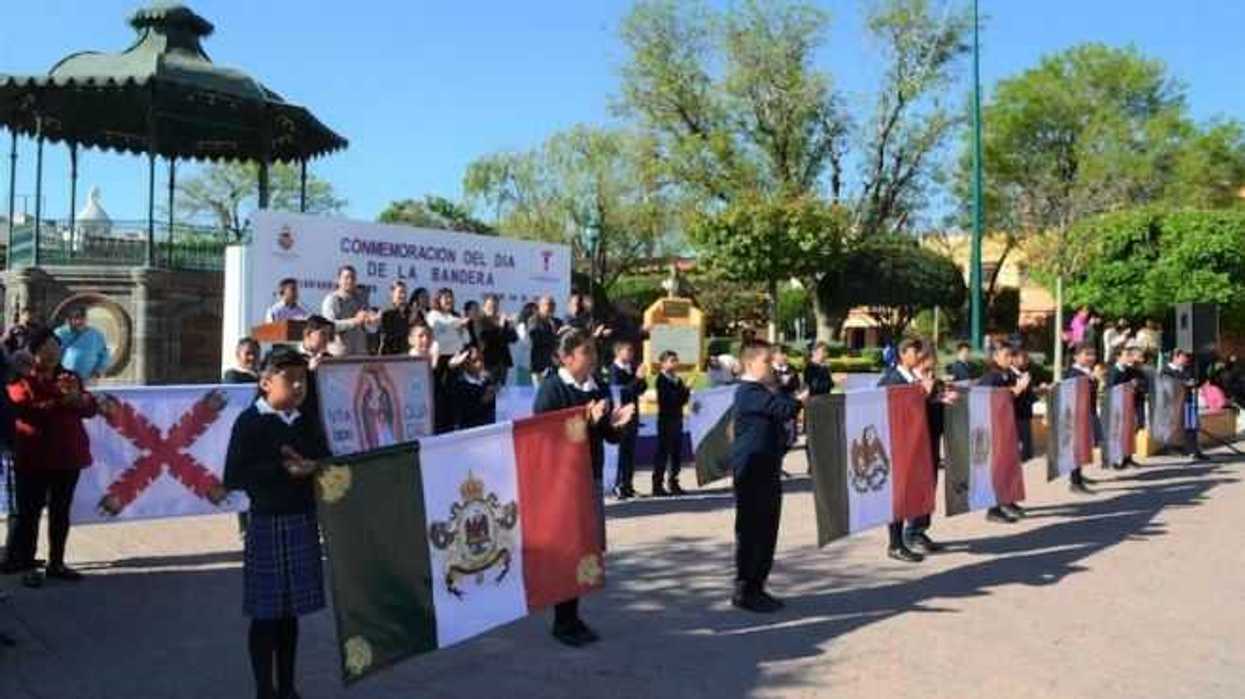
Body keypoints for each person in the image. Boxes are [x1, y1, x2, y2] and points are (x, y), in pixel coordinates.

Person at [223, 347, 329, 699]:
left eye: (304, 379)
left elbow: (325, 457)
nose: (300, 386)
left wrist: (313, 467)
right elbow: (233, 476)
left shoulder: (306, 419)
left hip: (301, 520)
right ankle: (263, 689)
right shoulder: (251, 421)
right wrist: (281, 470)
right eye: (291, 379)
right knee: (266, 614)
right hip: (268, 522)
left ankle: (287, 687)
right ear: (266, 383)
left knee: (290, 614)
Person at [532, 329, 634, 646]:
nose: (592, 357)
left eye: (592, 351)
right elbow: (545, 436)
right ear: (567, 357)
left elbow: (606, 434)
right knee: (567, 549)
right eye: (585, 352)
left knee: (585, 549)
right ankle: (563, 621)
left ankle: (573, 616)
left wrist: (616, 423)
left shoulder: (598, 386)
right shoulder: (552, 389)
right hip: (562, 480)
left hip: (589, 476)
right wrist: (584, 419)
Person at [3, 328, 97, 586]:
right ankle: (26, 563)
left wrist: (77, 399)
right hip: (33, 456)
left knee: (60, 511)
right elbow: (24, 406)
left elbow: (90, 408)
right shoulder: (20, 377)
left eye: (56, 346)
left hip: (67, 455)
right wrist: (61, 399)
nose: (53, 352)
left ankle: (57, 562)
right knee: (28, 514)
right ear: (33, 352)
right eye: (46, 347)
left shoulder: (70, 376)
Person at [729, 340, 806, 613]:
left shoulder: (763, 390)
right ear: (750, 364)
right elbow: (784, 408)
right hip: (752, 469)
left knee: (768, 527)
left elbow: (783, 402)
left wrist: (787, 390)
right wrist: (797, 399)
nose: (772, 366)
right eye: (766, 362)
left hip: (767, 466)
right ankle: (746, 588)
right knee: (752, 529)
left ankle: (758, 584)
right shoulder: (748, 392)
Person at [877, 338, 933, 563]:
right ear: (902, 354)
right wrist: (922, 393)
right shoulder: (892, 378)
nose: (918, 356)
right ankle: (895, 543)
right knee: (898, 496)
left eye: (919, 352)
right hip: (897, 445)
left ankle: (907, 537)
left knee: (908, 493)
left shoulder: (914, 377)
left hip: (914, 443)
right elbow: (890, 407)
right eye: (914, 352)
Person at [978, 344, 1031, 522]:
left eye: (1011, 355)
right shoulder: (991, 377)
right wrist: (1017, 389)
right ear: (996, 357)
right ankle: (993, 509)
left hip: (1009, 426)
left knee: (1009, 467)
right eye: (1006, 355)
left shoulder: (1007, 374)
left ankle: (1008, 500)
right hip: (995, 430)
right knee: (997, 468)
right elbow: (990, 398)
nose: (1010, 359)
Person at [609, 340, 647, 500]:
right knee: (621, 452)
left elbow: (640, 389)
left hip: (633, 414)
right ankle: (618, 485)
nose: (631, 354)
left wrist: (640, 379)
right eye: (627, 351)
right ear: (618, 352)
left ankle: (628, 485)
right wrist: (637, 379)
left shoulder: (631, 369)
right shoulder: (614, 370)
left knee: (630, 453)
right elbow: (622, 393)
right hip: (621, 416)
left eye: (632, 351)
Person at [652, 350, 690, 497]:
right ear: (663, 363)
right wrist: (684, 391)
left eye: (676, 360)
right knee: (663, 452)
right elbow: (670, 400)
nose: (674, 363)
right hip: (666, 420)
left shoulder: (677, 379)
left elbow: (682, 400)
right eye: (671, 360)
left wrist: (685, 391)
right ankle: (657, 485)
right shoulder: (661, 380)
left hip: (677, 419)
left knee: (676, 452)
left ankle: (674, 482)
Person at [1065, 342, 1100, 494]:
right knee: (1076, 448)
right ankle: (1075, 481)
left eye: (1092, 354)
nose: (1091, 358)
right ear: (1076, 356)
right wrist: (1091, 379)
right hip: (1077, 416)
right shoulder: (1073, 373)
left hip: (1087, 413)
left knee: (1083, 447)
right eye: (1087, 354)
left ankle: (1079, 475)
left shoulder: (1087, 371)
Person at [320, 265, 378, 356]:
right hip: (339, 355)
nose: (350, 281)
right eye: (346, 277)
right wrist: (354, 321)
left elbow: (370, 329)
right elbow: (328, 326)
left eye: (353, 278)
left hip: (360, 354)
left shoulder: (362, 299)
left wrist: (372, 322)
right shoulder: (332, 299)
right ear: (338, 280)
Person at [1162, 349, 1207, 461]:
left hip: (1188, 400)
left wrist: (1193, 382)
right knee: (1176, 427)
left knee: (1191, 425)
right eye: (1183, 356)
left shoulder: (1186, 369)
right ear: (1176, 357)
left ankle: (1193, 449)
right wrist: (1183, 383)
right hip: (1174, 404)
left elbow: (1194, 380)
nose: (1186, 359)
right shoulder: (1166, 370)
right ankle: (1173, 448)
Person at [1106, 344, 1146, 469]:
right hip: (1118, 408)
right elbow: (1112, 389)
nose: (1129, 357)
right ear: (1118, 357)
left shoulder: (1130, 370)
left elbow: (1141, 381)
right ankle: (1114, 459)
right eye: (1126, 355)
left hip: (1129, 406)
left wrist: (1137, 384)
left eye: (1129, 355)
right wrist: (1129, 385)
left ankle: (1127, 458)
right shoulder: (1113, 371)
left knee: (1129, 432)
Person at [54, 306, 110, 383]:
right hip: (64, 379)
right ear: (69, 320)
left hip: (88, 380)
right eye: (76, 318)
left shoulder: (95, 334)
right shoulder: (60, 333)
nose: (80, 322)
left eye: (83, 318)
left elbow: (104, 355)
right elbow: (52, 354)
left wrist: (98, 371)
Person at [473, 294, 518, 386]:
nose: (493, 309)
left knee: (501, 392)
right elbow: (485, 338)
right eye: (490, 306)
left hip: (503, 362)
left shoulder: (502, 320)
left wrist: (510, 325)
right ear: (484, 307)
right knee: (488, 389)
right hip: (488, 362)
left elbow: (514, 338)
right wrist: (500, 327)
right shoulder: (479, 321)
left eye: (495, 306)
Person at [451, 348, 498, 430]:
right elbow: (463, 413)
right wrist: (483, 401)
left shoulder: (487, 380)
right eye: (475, 361)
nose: (480, 364)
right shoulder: (460, 385)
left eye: (481, 359)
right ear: (465, 364)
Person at [527, 295, 562, 385]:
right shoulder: (534, 320)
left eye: (553, 305)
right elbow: (536, 338)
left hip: (556, 366)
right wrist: (554, 337)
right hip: (540, 365)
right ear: (540, 306)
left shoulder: (558, 322)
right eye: (548, 304)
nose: (551, 307)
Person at [378, 281, 413, 356]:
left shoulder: (411, 312)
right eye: (400, 292)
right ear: (392, 293)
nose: (403, 295)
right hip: (390, 355)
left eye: (405, 292)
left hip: (407, 354)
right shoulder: (386, 312)